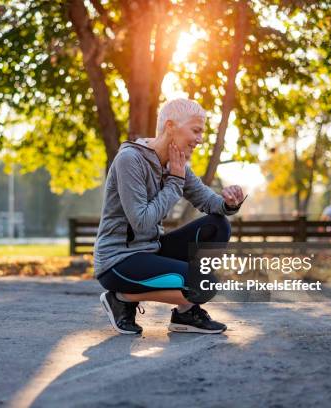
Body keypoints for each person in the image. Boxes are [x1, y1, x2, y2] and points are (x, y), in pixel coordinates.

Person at [93, 98, 246, 335]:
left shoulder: (176, 164)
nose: (200, 139)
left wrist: (228, 203)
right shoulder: (129, 160)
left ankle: (185, 314)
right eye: (195, 131)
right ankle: (122, 298)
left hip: (151, 251)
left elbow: (207, 200)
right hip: (118, 261)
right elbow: (141, 223)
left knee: (218, 225)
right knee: (204, 285)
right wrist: (175, 181)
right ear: (170, 126)